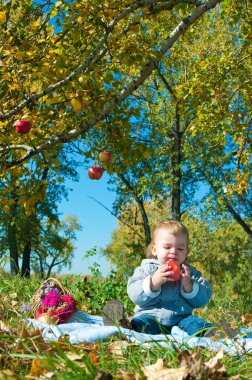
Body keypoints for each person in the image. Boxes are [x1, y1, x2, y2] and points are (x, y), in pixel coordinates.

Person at [127, 219, 214, 336]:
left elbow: (204, 298)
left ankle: (213, 333)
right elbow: (134, 294)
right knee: (142, 324)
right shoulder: (147, 269)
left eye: (180, 249)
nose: (173, 252)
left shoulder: (190, 273)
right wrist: (153, 282)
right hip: (151, 316)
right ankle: (123, 326)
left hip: (181, 319)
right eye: (167, 247)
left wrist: (189, 286)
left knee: (194, 323)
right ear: (154, 249)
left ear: (186, 252)